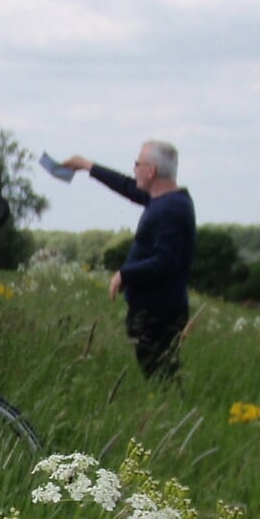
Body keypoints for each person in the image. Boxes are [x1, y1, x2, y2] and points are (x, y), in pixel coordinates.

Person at [61, 143, 196, 380]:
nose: (134, 169)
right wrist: (86, 165)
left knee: (161, 380)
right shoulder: (164, 200)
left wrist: (125, 273)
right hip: (155, 310)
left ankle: (172, 415)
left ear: (151, 171)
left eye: (137, 164)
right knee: (161, 378)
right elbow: (127, 186)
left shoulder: (170, 209)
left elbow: (166, 261)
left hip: (159, 313)